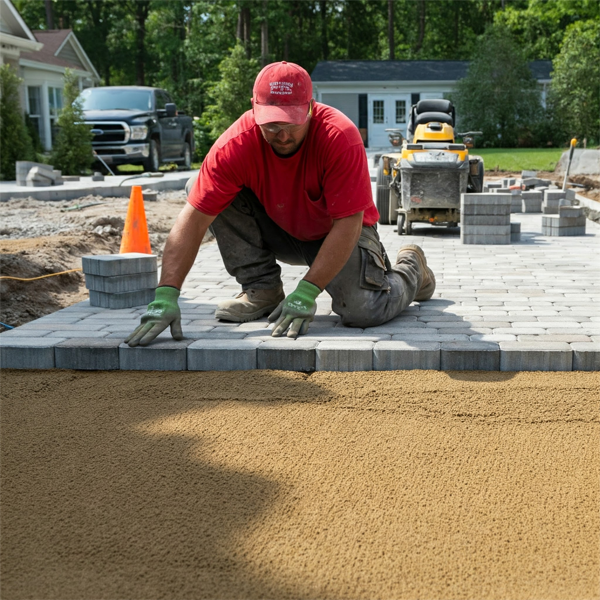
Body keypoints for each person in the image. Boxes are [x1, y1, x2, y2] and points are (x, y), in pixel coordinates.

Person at [126, 61, 435, 347]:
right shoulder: (235, 145)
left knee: (364, 311)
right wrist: (166, 294)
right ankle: (262, 290)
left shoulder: (339, 136)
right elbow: (192, 221)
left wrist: (307, 290)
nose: (283, 135)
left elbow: (349, 223)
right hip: (280, 229)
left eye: (292, 123)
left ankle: (412, 268)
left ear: (312, 108)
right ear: (254, 109)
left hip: (339, 234)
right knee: (200, 189)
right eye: (272, 125)